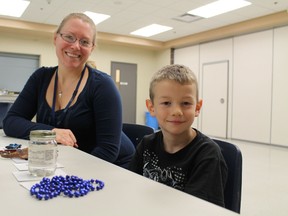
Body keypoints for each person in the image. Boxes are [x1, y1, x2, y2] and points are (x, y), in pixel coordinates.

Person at [3, 13, 135, 169]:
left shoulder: (103, 85)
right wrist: (51, 132)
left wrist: (67, 175)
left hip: (114, 167)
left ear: (91, 48)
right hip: (67, 163)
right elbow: (11, 122)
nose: (75, 46)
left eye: (85, 41)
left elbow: (108, 150)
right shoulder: (40, 78)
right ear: (55, 38)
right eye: (69, 37)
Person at [129, 64, 228, 207]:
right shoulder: (147, 144)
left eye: (186, 103)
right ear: (151, 107)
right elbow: (131, 187)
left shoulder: (207, 155)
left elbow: (196, 210)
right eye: (166, 103)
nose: (176, 111)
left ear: (197, 107)